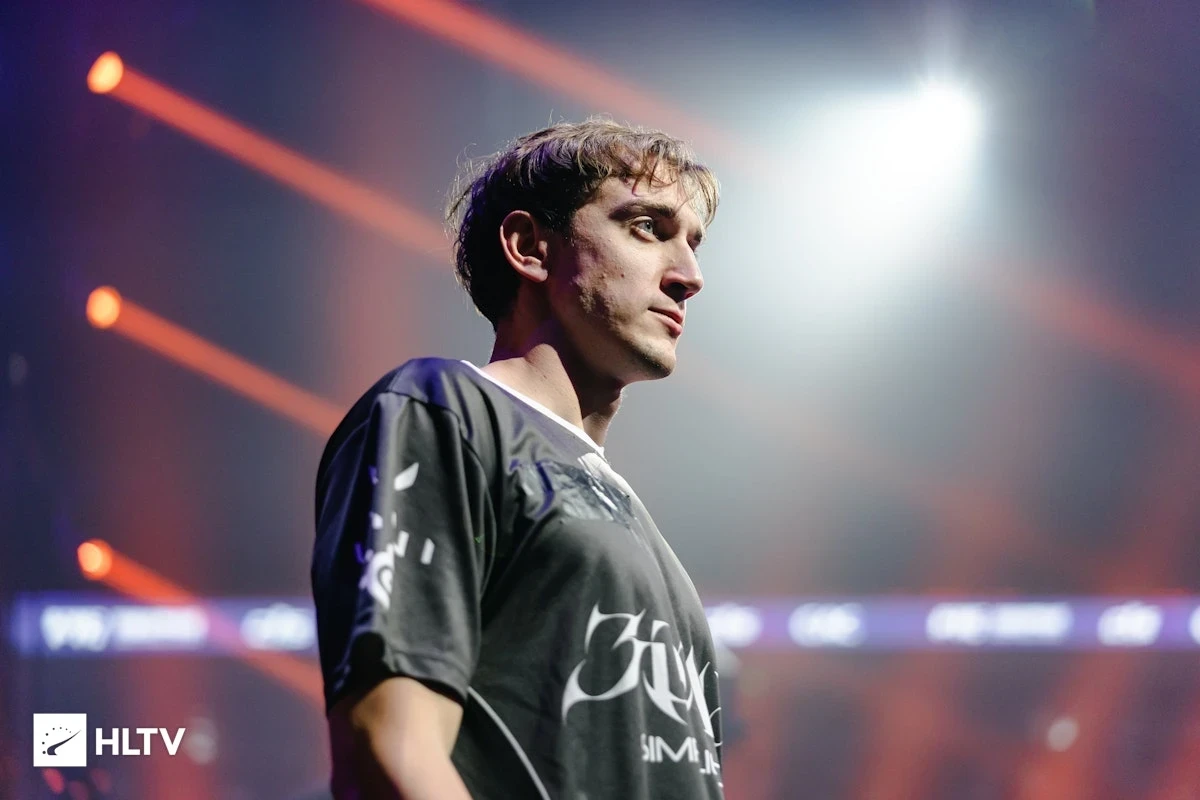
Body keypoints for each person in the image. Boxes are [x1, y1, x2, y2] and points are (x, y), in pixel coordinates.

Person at [311, 118, 722, 799]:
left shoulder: (637, 524)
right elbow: (389, 748)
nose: (690, 277)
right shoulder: (445, 411)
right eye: (648, 227)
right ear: (530, 247)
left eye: (694, 243)